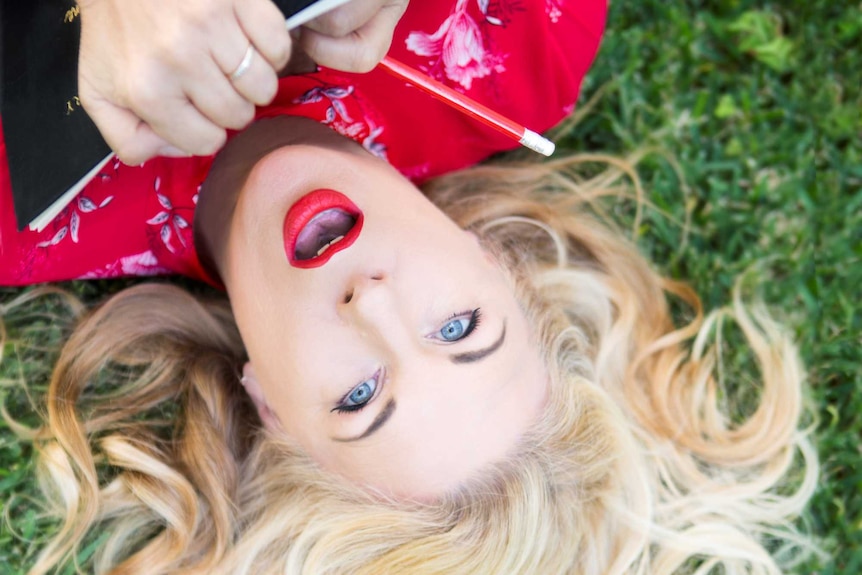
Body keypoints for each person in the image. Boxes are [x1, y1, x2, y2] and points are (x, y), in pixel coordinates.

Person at [0, 1, 816, 573]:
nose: (373, 303)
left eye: (358, 395)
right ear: (496, 259)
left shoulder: (20, 216)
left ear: (270, 408)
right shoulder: (526, 40)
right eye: (460, 328)